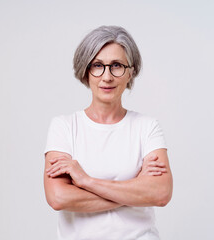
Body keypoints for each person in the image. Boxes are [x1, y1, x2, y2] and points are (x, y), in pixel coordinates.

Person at [44, 25, 173, 240]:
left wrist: (85, 181)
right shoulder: (64, 127)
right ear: (86, 70)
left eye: (116, 65)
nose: (107, 76)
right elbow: (58, 197)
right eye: (97, 65)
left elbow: (160, 194)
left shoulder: (147, 127)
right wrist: (136, 189)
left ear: (130, 72)